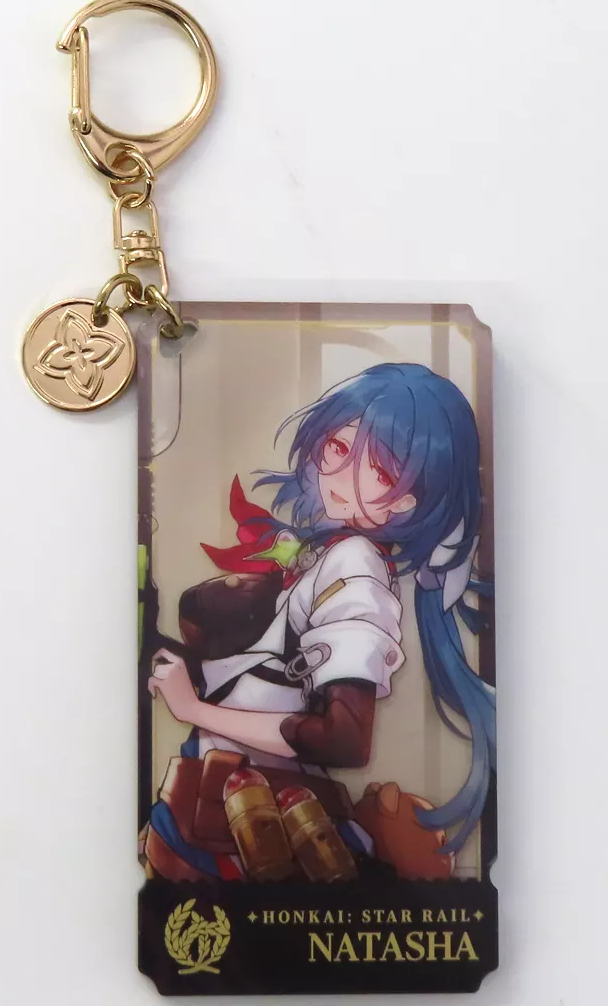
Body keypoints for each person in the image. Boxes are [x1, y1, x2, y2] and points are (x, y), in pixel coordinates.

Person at [144, 363, 496, 881]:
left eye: (380, 472)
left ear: (407, 501)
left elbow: (343, 739)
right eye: (338, 447)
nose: (343, 476)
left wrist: (192, 708)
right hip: (216, 802)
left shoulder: (355, 563)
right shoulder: (327, 553)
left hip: (260, 822)